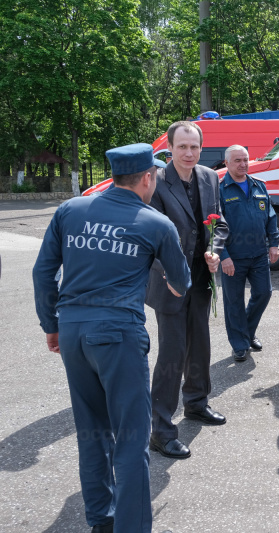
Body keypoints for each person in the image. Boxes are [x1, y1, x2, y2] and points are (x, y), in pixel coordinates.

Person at [32, 144, 191, 533]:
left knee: (91, 431)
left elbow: (43, 272)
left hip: (72, 331)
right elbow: (181, 281)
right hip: (118, 334)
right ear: (147, 178)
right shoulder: (154, 222)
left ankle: (100, 520)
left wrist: (50, 325)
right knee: (132, 440)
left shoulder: (71, 209)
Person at [146, 120, 229, 460]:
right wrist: (170, 274)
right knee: (172, 353)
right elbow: (149, 235)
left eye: (194, 147)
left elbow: (219, 222)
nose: (189, 153)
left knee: (200, 345)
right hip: (168, 280)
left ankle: (196, 402)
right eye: (182, 147)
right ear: (169, 148)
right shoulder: (156, 182)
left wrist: (216, 249)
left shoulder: (210, 176)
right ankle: (161, 430)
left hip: (200, 276)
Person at [219, 145, 279, 362]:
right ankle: (239, 344)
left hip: (258, 254)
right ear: (226, 163)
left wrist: (274, 244)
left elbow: (271, 217)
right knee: (233, 301)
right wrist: (223, 256)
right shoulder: (220, 189)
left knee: (264, 292)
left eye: (245, 160)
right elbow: (214, 226)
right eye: (237, 160)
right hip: (233, 257)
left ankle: (246, 332)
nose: (243, 164)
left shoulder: (258, 186)